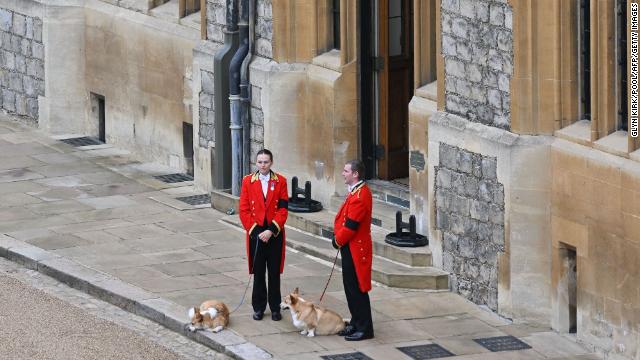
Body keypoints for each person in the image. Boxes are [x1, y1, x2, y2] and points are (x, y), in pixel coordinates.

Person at [239, 149, 289, 321]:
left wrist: (271, 231)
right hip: (256, 234)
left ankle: (275, 308)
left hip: (274, 234)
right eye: (260, 162)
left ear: (271, 162)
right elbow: (244, 210)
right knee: (258, 272)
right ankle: (259, 307)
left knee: (274, 273)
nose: (263, 165)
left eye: (266, 162)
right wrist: (257, 232)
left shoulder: (281, 181)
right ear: (256, 163)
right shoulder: (247, 181)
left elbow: (283, 209)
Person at [332, 159, 374, 341]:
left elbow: (350, 226)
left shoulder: (360, 196)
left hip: (356, 248)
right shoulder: (356, 192)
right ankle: (356, 322)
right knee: (349, 287)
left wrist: (337, 240)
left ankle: (365, 328)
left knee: (357, 288)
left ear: (355, 174)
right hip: (350, 246)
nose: (343, 173)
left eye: (346, 171)